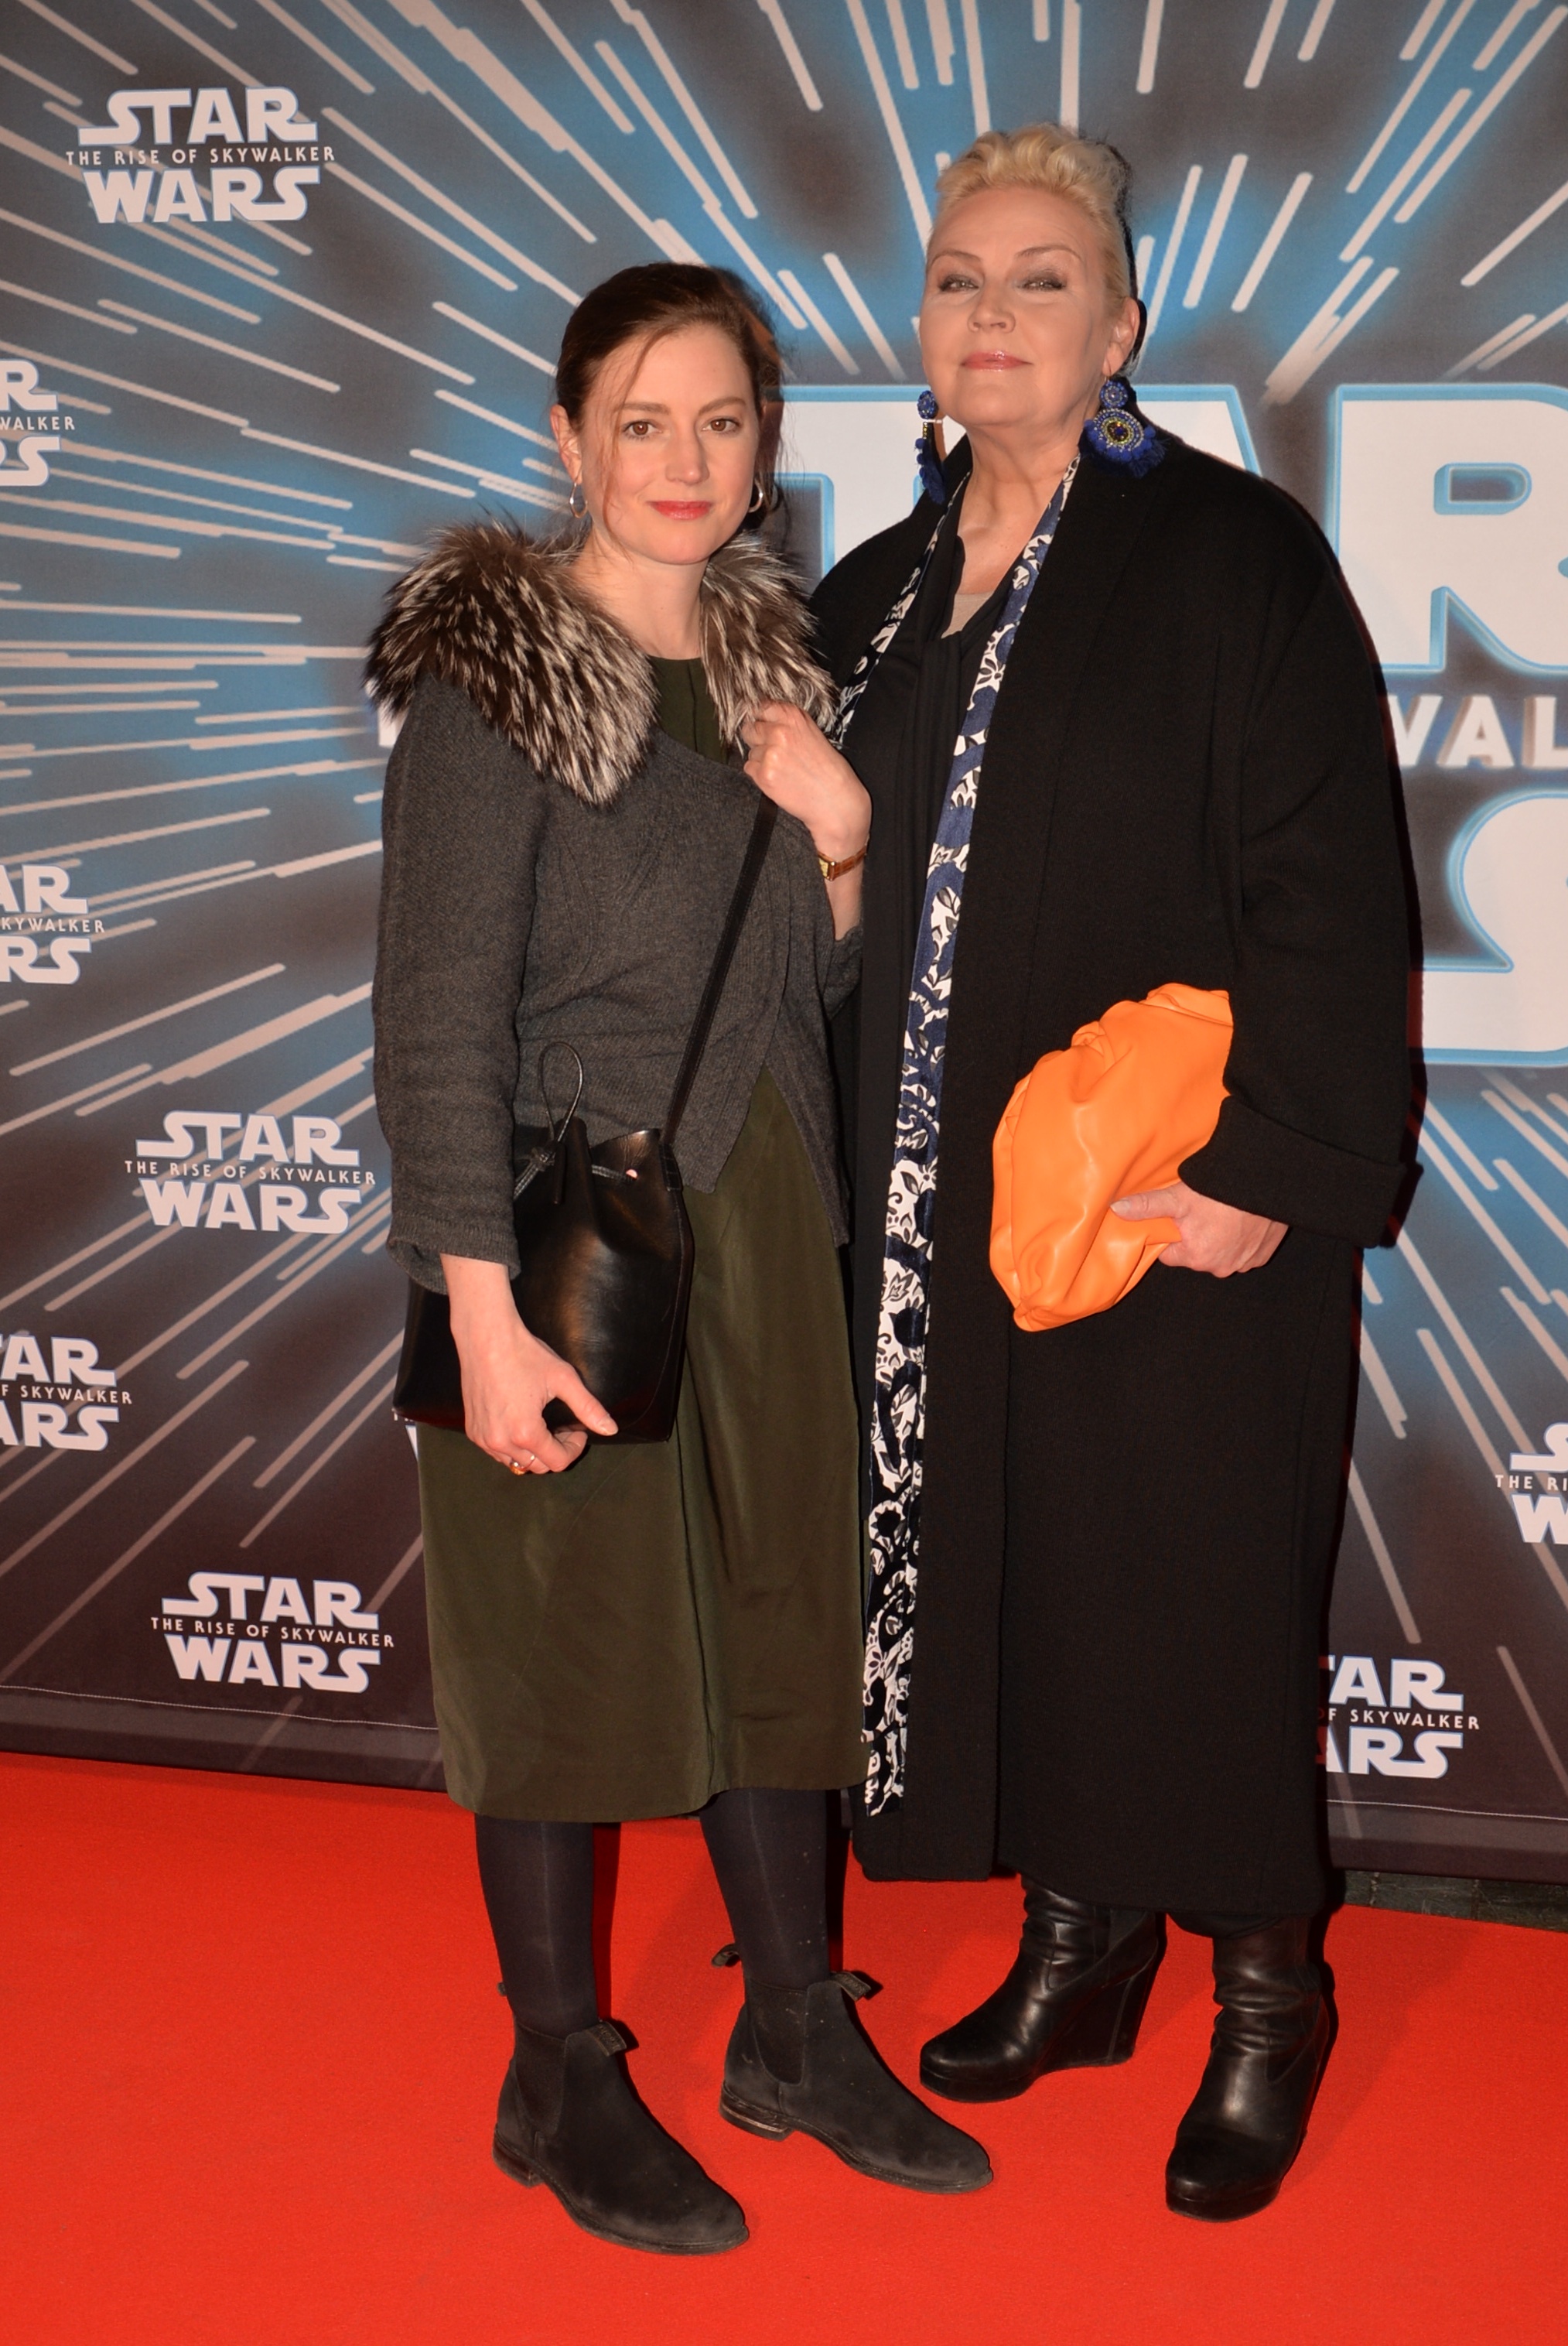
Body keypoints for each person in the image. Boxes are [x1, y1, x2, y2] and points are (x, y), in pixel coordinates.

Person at [760, 125, 1413, 2221]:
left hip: (1174, 1200)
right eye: (962, 278)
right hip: (939, 1221)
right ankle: (1083, 1938)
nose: (996, 313)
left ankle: (1267, 1994)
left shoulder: (1235, 559)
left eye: (1043, 279)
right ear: (920, 322)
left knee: (1191, 1590)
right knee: (1022, 1578)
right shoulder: (867, 596)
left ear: (1120, 323)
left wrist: (1275, 1167)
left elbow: (1334, 886)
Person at [367, 262, 989, 2257]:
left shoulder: (771, 673)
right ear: (570, 439)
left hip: (769, 1210)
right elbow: (435, 1020)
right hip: (569, 1234)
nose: (686, 461)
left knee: (785, 1616)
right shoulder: (497, 682)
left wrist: (844, 841)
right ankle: (557, 2073)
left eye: (723, 422)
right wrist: (478, 1314)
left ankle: (797, 2024)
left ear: (763, 443)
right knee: (561, 1640)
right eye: (643, 422)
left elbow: (809, 994)